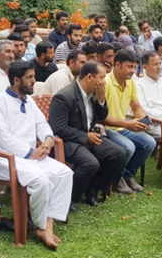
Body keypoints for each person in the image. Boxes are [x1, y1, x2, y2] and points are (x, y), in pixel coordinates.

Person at [0, 61, 74, 249]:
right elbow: (3, 138)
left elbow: (41, 124)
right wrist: (31, 152)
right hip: (4, 157)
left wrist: (48, 140)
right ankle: (40, 226)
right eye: (30, 77)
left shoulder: (28, 100)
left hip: (31, 157)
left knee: (65, 174)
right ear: (16, 80)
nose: (34, 81)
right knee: (41, 180)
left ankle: (46, 226)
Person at [49, 62, 127, 206]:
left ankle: (92, 188)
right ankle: (69, 197)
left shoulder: (92, 94)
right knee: (90, 163)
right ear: (90, 77)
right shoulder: (65, 96)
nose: (104, 82)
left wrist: (101, 99)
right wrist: (85, 137)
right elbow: (58, 128)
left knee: (119, 153)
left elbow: (102, 117)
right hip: (68, 140)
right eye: (102, 78)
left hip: (88, 136)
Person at [103, 50, 155, 194]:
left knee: (149, 143)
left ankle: (127, 174)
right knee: (129, 147)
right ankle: (116, 178)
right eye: (129, 67)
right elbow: (100, 117)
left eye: (134, 67)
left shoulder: (131, 83)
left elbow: (136, 106)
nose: (133, 71)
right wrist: (127, 124)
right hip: (106, 128)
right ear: (117, 65)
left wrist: (143, 120)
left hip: (122, 127)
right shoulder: (105, 82)